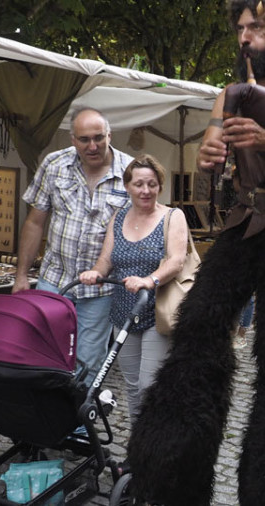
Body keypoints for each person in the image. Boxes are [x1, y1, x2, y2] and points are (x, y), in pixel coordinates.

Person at [126, 1, 265, 504]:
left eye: (257, 27)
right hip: (245, 223)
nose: (245, 37)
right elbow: (212, 146)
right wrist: (209, 152)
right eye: (241, 28)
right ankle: (174, 475)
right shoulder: (229, 93)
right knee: (198, 323)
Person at [13, 107, 133, 384]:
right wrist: (21, 276)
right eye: (84, 139)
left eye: (98, 138)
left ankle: (78, 426)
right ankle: (50, 420)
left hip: (100, 289)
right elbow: (34, 222)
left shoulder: (129, 172)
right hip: (54, 280)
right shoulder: (54, 164)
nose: (92, 146)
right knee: (48, 353)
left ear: (109, 135)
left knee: (88, 360)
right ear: (72, 139)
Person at [78, 155, 188, 426]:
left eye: (152, 184)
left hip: (156, 313)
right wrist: (96, 272)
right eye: (139, 184)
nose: (145, 190)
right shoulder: (119, 217)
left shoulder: (172, 216)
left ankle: (154, 446)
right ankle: (138, 449)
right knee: (131, 385)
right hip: (124, 314)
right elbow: (107, 259)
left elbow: (177, 260)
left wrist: (149, 280)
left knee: (149, 386)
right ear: (127, 186)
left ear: (160, 186)